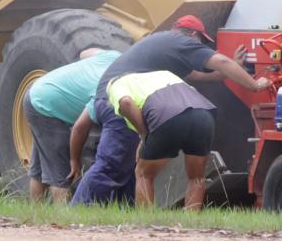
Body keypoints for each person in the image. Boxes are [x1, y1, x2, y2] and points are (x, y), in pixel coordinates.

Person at [71, 15, 270, 205]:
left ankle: (131, 214)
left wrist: (232, 69)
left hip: (118, 98)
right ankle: (78, 211)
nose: (200, 47)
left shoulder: (163, 44)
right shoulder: (181, 42)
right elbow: (222, 62)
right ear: (193, 35)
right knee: (111, 166)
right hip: (119, 98)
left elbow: (198, 75)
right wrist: (254, 84)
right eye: (201, 42)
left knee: (133, 166)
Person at [107, 70, 216, 210]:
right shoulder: (163, 74)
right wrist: (145, 140)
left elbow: (126, 102)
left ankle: (145, 221)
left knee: (143, 173)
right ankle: (191, 223)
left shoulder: (117, 84)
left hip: (167, 116)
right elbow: (191, 91)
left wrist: (144, 134)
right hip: (203, 114)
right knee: (196, 177)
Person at [23, 47, 121, 203]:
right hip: (46, 107)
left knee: (39, 168)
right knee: (61, 174)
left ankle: (35, 215)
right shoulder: (105, 91)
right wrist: (74, 161)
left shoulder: (114, 56)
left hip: (38, 91)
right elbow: (79, 128)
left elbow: (84, 53)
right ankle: (63, 220)